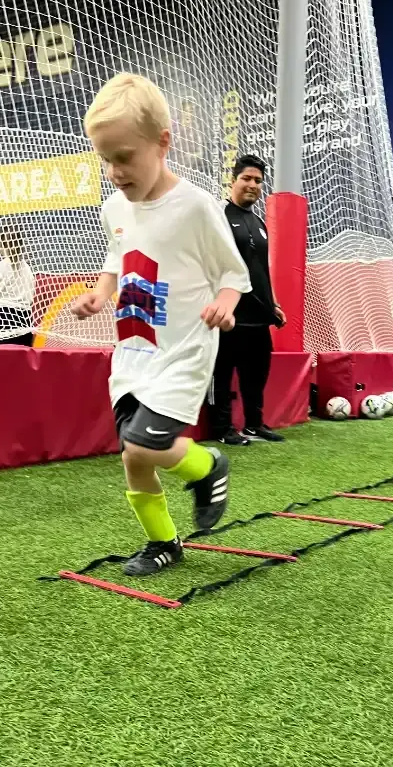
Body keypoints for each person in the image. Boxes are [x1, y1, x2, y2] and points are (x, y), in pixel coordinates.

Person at [71, 72, 251, 576]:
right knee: (133, 459)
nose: (114, 171)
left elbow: (232, 272)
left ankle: (208, 464)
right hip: (133, 351)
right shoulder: (115, 208)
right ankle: (164, 543)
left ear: (163, 143)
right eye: (105, 159)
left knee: (143, 442)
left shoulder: (196, 207)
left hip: (183, 349)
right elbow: (116, 257)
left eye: (124, 157)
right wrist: (100, 294)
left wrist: (226, 302)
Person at [209, 154, 286, 446]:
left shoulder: (258, 222)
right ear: (233, 181)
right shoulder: (219, 217)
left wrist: (274, 304)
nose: (253, 185)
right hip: (231, 313)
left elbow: (262, 269)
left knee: (257, 375)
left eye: (258, 181)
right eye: (246, 179)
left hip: (260, 314)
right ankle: (222, 428)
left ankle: (254, 425)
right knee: (222, 373)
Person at [0, 226, 35, 346]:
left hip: (4, 316)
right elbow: (30, 298)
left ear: (1, 245)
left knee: (4, 358)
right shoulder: (28, 270)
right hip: (25, 318)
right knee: (23, 357)